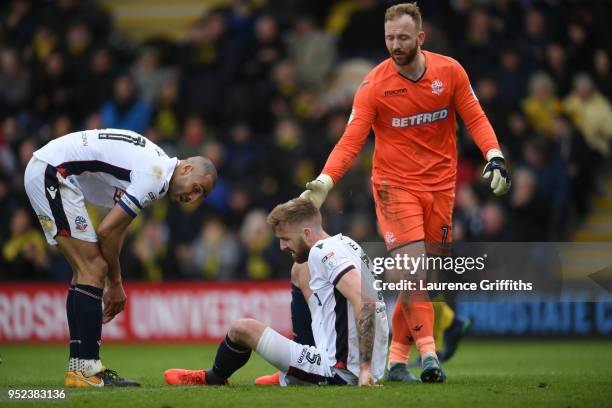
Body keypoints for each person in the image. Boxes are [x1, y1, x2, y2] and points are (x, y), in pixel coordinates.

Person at [300, 3, 510, 383]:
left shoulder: (450, 72)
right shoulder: (374, 85)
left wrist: (494, 155)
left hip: (442, 188)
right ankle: (429, 355)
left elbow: (475, 117)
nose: (395, 45)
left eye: (402, 38)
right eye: (389, 38)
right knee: (411, 272)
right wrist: (326, 181)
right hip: (393, 187)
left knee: (425, 279)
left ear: (420, 38)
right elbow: (351, 141)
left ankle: (397, 360)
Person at [23, 128, 217, 387]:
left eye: (199, 196)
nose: (191, 199)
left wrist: (114, 280)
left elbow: (118, 226)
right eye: (196, 189)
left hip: (50, 169)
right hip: (53, 173)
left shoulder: (156, 165)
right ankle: (88, 370)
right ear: (186, 170)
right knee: (93, 267)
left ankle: (79, 369)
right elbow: (107, 231)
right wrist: (115, 283)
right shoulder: (156, 176)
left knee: (86, 271)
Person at [164, 197, 388, 386]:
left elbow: (365, 302)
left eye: (286, 239)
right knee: (300, 268)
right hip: (359, 364)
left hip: (339, 371)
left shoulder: (322, 252)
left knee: (242, 329)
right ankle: (294, 370)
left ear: (307, 233)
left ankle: (214, 377)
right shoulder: (346, 243)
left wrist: (365, 368)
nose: (282, 247)